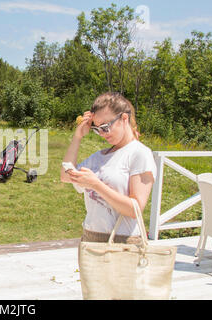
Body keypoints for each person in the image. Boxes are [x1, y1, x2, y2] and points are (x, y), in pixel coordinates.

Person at [61, 92, 157, 244]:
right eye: (97, 129)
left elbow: (135, 210)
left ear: (124, 118)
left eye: (105, 127)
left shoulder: (139, 153)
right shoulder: (100, 156)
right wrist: (77, 136)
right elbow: (65, 176)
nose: (102, 134)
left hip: (123, 241)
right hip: (91, 238)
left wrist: (96, 185)